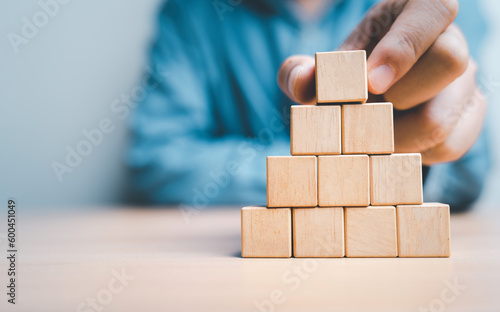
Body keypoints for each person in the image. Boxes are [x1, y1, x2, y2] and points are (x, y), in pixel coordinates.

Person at [129, 0, 490, 212]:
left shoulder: (434, 4)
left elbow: (471, 171)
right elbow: (158, 160)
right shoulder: (192, 12)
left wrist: (441, 136)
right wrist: (346, 172)